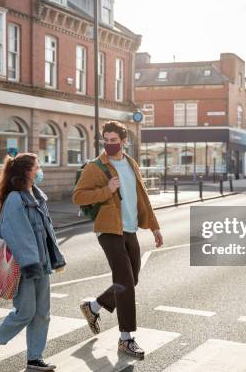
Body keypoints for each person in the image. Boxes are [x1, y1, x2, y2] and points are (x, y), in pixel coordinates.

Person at [72, 120, 163, 360]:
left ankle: (93, 307)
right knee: (124, 281)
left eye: (114, 140)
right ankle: (126, 339)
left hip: (130, 230)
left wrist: (154, 227)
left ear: (124, 141)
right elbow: (78, 197)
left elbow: (141, 197)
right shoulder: (96, 166)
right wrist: (107, 190)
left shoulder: (131, 163)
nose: (110, 144)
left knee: (131, 279)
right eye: (106, 140)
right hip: (109, 230)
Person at [0, 153, 66, 371]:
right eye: (37, 167)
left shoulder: (37, 196)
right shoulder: (15, 199)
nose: (40, 170)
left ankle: (34, 358)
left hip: (43, 263)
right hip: (26, 266)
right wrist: (31, 264)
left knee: (42, 313)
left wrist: (55, 257)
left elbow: (47, 231)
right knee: (26, 312)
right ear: (26, 172)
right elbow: (17, 234)